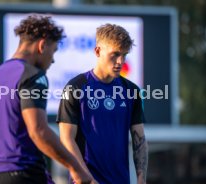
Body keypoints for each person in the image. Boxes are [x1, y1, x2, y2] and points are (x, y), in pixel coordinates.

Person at [0, 14, 93, 184]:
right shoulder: (33, 76)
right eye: (54, 51)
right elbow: (38, 131)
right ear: (42, 45)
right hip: (22, 173)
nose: (53, 59)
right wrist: (76, 168)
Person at [57, 23, 148, 184]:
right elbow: (66, 139)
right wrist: (89, 180)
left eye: (124, 55)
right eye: (115, 54)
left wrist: (141, 180)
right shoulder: (75, 87)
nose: (121, 61)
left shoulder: (131, 91)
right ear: (98, 51)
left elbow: (139, 139)